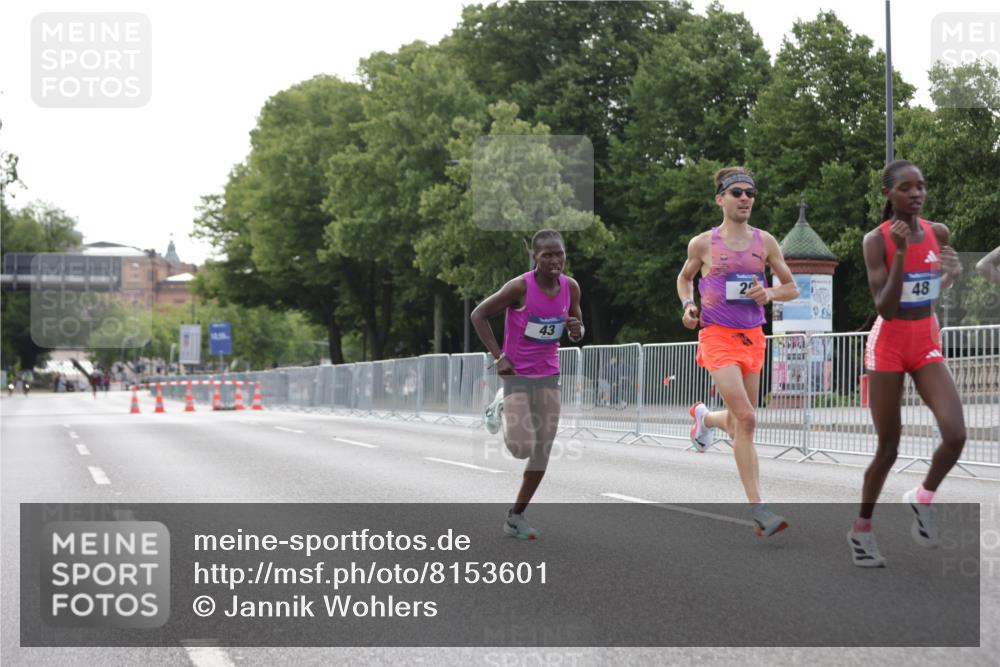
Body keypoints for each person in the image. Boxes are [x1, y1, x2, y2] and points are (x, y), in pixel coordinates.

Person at [847, 159, 966, 567]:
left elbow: (930, 289)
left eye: (921, 186)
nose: (916, 194)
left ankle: (922, 497)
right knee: (889, 447)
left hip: (925, 340)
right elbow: (887, 306)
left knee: (955, 433)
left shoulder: (938, 232)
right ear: (888, 194)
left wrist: (950, 275)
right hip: (890, 345)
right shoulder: (875, 240)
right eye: (905, 188)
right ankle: (862, 529)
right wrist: (899, 254)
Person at [676, 166, 800, 538]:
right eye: (737, 193)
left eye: (751, 193)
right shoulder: (703, 244)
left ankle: (704, 418)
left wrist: (771, 293)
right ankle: (759, 507)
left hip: (752, 337)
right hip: (716, 335)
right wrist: (687, 306)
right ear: (721, 199)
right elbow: (685, 278)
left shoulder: (766, 243)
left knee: (738, 419)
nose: (745, 198)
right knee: (747, 418)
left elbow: (791, 287)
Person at [471, 229, 584, 540]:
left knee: (543, 448)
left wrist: (576, 330)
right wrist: (498, 357)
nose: (554, 260)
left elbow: (577, 327)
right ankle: (501, 403)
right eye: (547, 254)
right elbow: (478, 314)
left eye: (558, 253)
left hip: (548, 374)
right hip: (517, 375)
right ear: (535, 257)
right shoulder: (520, 287)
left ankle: (516, 515)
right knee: (521, 448)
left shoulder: (570, 287)